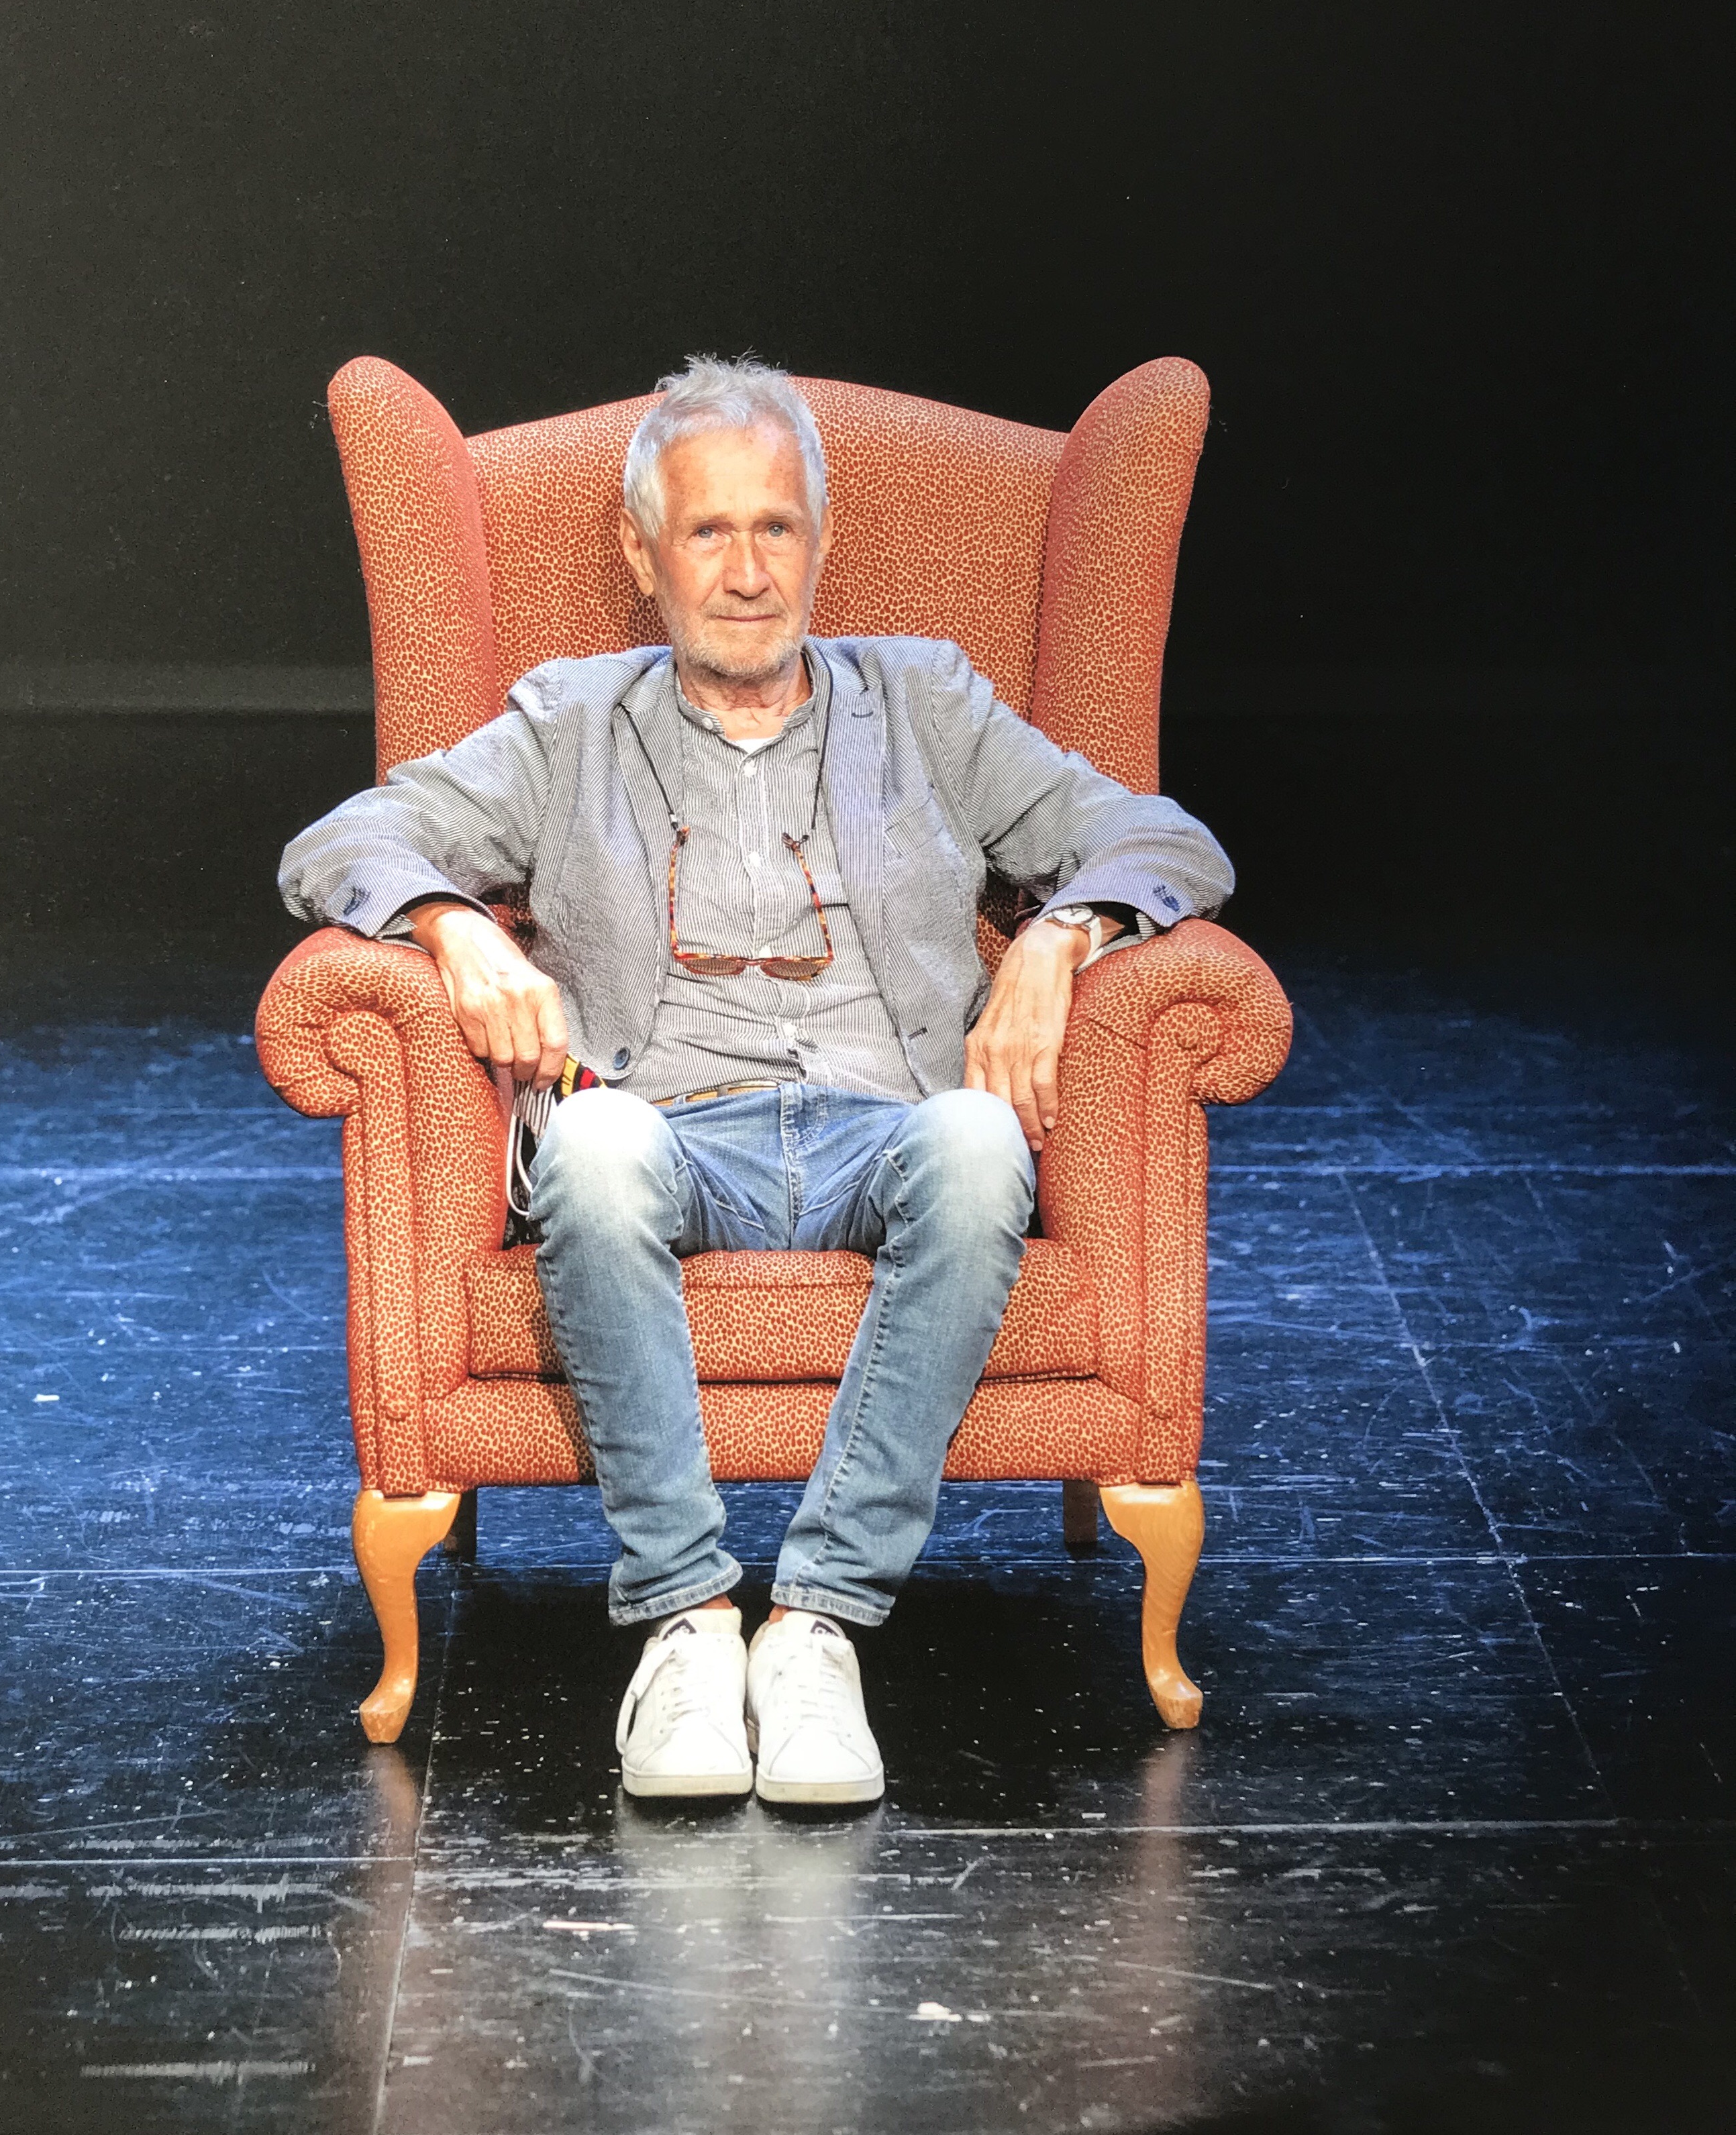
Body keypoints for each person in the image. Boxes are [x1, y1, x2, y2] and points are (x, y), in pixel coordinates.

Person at [280, 357, 1232, 1808]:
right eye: (709, 531)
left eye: (775, 527)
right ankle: (682, 1621)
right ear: (641, 552)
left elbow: (1168, 841)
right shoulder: (570, 721)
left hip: (888, 1129)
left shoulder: (924, 698)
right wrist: (454, 926)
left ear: (820, 540)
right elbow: (340, 840)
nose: (745, 571)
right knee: (589, 1150)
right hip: (665, 1133)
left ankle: (818, 1626)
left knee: (980, 1145)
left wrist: (1062, 934)